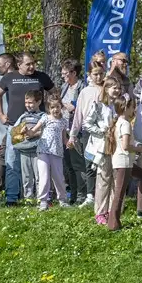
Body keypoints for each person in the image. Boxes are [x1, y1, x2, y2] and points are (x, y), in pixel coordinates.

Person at [0, 52, 54, 206]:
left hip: (37, 126)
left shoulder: (41, 77)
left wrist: (50, 112)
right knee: (12, 162)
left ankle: (43, 196)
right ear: (19, 64)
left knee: (41, 163)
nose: (32, 66)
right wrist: (1, 115)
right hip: (16, 126)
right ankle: (12, 198)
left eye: (33, 63)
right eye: (28, 64)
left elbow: (55, 93)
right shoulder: (9, 77)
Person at [105, 96, 142, 231]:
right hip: (124, 162)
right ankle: (113, 224)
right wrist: (139, 149)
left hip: (125, 161)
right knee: (119, 193)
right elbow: (126, 146)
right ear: (125, 108)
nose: (134, 110)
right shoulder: (125, 124)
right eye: (132, 107)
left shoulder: (119, 122)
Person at [69, 64, 106, 208]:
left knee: (103, 162)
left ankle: (103, 193)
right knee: (89, 162)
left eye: (101, 74)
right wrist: (73, 134)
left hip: (103, 130)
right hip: (88, 131)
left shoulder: (107, 88)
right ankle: (90, 195)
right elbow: (79, 114)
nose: (98, 77)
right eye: (95, 74)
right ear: (89, 75)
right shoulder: (85, 92)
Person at [25, 94, 69, 210]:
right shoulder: (45, 118)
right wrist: (27, 132)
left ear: (61, 107)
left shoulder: (63, 121)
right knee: (44, 177)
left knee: (59, 177)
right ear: (49, 108)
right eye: (52, 107)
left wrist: (69, 143)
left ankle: (62, 199)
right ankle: (43, 201)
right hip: (43, 151)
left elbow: (64, 138)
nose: (55, 109)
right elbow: (33, 131)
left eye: (57, 106)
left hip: (57, 152)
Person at [93, 78, 125, 225]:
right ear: (106, 89)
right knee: (104, 178)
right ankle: (100, 212)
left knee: (116, 178)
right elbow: (87, 123)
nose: (117, 91)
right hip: (104, 146)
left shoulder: (120, 105)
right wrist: (102, 131)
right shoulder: (99, 106)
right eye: (114, 88)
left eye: (119, 88)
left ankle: (113, 210)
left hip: (117, 146)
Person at [60, 59, 86, 205]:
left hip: (77, 130)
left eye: (65, 73)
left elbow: (81, 107)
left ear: (74, 73)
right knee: (69, 165)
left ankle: (82, 196)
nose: (63, 76)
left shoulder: (82, 87)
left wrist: (73, 107)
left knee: (78, 165)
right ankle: (74, 196)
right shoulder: (64, 87)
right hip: (65, 129)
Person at [13, 89, 46, 200]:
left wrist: (34, 133)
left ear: (38, 102)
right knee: (26, 176)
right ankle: (28, 197)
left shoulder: (43, 116)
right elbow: (15, 132)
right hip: (24, 150)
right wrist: (21, 131)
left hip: (38, 150)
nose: (28, 105)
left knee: (39, 175)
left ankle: (41, 197)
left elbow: (47, 131)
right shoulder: (23, 117)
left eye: (31, 102)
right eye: (26, 102)